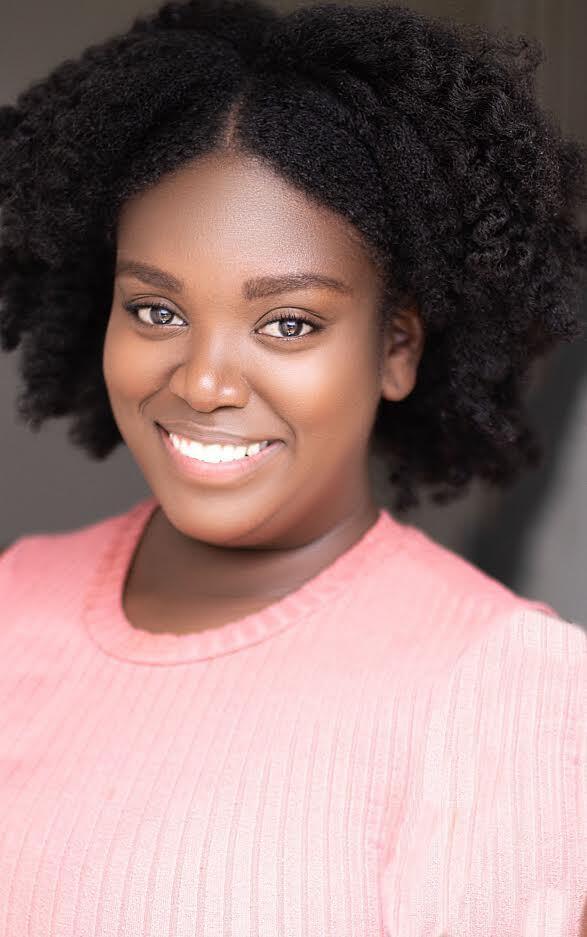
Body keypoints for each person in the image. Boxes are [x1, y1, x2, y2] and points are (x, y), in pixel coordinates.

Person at [0, 1, 585, 934]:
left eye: (287, 323)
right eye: (155, 310)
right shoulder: (14, 593)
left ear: (395, 348)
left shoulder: (497, 680)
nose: (202, 380)